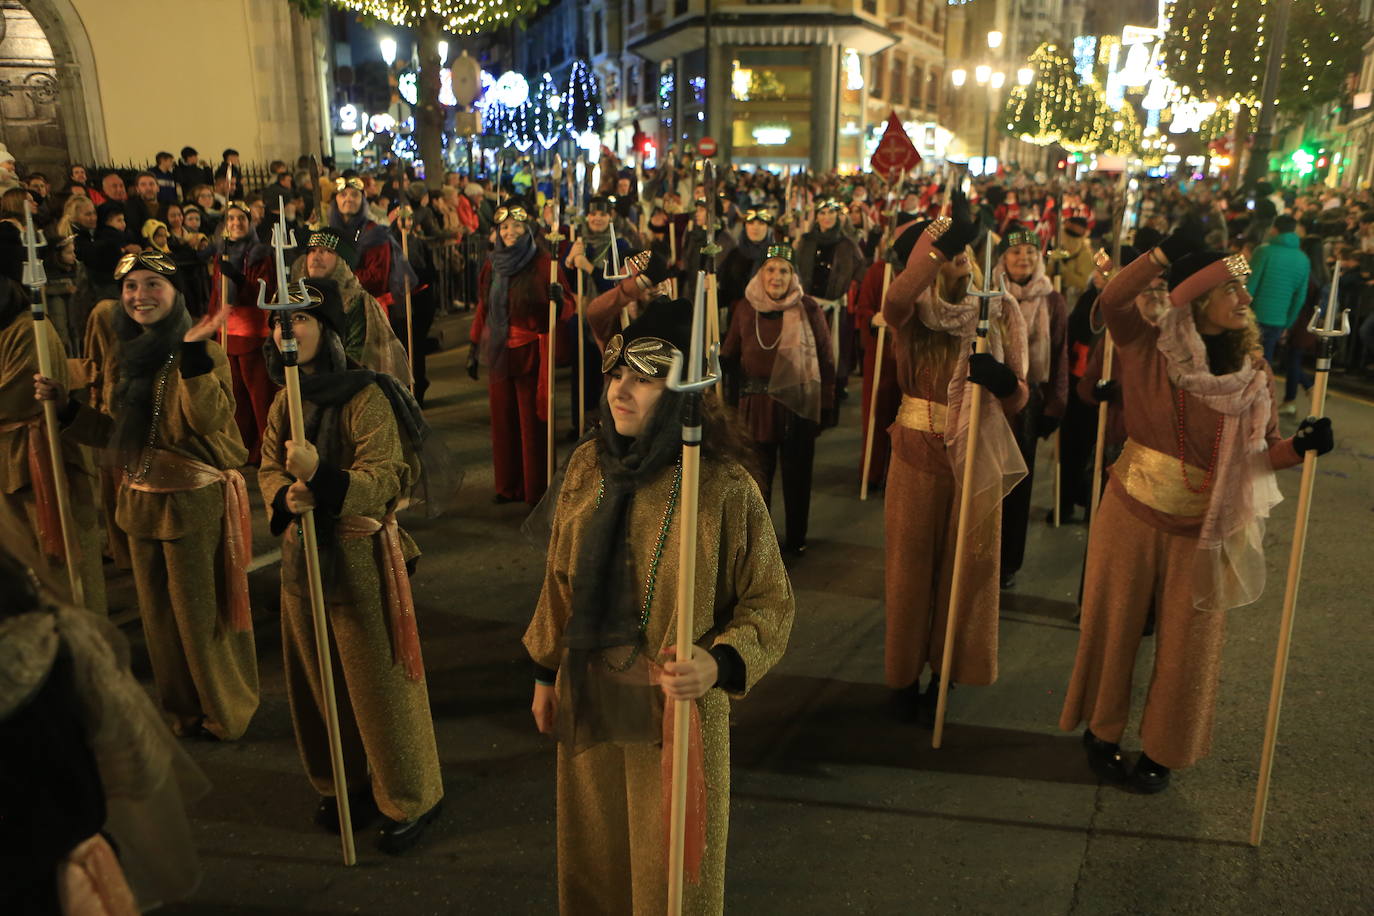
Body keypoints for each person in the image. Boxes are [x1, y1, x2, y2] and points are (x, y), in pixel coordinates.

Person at [524, 295, 794, 915]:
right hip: (590, 688)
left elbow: (771, 604)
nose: (621, 390)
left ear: (680, 393)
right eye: (617, 373)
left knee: (668, 875)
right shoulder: (590, 465)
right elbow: (560, 575)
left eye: (643, 380)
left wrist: (721, 662)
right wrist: (544, 671)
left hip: (675, 710)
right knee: (597, 858)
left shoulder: (722, 488)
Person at [1059, 228, 1333, 793]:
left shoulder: (1253, 373)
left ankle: (1165, 748)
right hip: (1131, 509)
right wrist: (1160, 256)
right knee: (1115, 628)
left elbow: (1257, 460)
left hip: (1205, 526)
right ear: (1200, 298)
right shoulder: (1148, 343)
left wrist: (1299, 450)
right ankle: (1102, 733)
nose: (1246, 299)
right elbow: (1111, 299)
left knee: (1192, 645)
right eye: (1232, 289)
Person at [35, 249, 259, 741]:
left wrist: (196, 354)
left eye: (153, 284)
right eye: (131, 286)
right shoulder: (127, 355)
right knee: (159, 623)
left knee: (201, 617)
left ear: (176, 293)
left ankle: (225, 707)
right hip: (139, 504)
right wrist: (68, 408)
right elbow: (122, 435)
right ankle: (182, 710)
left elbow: (208, 422)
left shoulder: (204, 351)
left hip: (192, 502)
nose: (140, 296)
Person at [258, 277, 444, 854]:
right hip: (303, 555)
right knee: (319, 681)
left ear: (327, 328)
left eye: (302, 319)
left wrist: (323, 476)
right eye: (278, 321)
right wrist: (284, 497)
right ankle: (345, 781)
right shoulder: (284, 399)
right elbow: (266, 465)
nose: (287, 330)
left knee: (380, 686)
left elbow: (386, 475)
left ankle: (410, 796)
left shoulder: (367, 395)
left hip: (360, 558)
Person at [880, 207, 1029, 724]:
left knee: (966, 571)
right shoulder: (911, 311)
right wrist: (938, 243)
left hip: (977, 453)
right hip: (917, 453)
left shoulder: (999, 308)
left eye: (966, 248)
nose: (964, 256)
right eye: (950, 253)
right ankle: (902, 677)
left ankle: (947, 672)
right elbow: (897, 297)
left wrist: (1005, 384)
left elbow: (1019, 394)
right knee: (910, 572)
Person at [0, 273, 106, 613]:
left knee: (63, 569)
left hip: (40, 457)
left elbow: (16, 396)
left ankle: (87, 651)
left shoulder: (30, 328)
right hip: (8, 465)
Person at [720, 243, 835, 555]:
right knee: (758, 477)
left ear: (793, 274)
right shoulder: (743, 308)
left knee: (797, 476)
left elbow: (825, 359)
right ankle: (760, 542)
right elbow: (729, 352)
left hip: (797, 404)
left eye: (784, 270)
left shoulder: (808, 308)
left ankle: (797, 538)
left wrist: (825, 406)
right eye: (771, 269)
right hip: (754, 406)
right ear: (761, 273)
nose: (777, 276)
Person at [469, 204, 570, 505]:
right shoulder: (492, 265)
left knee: (531, 424)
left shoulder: (543, 263)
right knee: (502, 422)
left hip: (530, 354)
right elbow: (483, 308)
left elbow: (569, 307)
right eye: (504, 228)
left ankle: (535, 489)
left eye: (516, 227)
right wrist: (474, 347)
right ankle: (507, 485)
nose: (510, 232)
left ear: (528, 230)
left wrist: (560, 301)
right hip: (499, 353)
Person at [993, 225, 1069, 589]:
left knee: (1019, 482)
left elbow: (1060, 355)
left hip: (1030, 402)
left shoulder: (1052, 301)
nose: (1023, 258)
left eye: (1030, 253)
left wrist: (1055, 405)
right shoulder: (989, 296)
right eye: (1015, 253)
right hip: (991, 399)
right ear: (1003, 259)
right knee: (987, 478)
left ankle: (1008, 561)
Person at [292, 227, 412, 386]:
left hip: (345, 386)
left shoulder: (357, 302)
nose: (316, 257)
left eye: (326, 251)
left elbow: (356, 357)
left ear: (342, 261)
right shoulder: (295, 300)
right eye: (312, 251)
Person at [211, 200, 276, 463]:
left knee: (260, 395)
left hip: (252, 331)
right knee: (235, 394)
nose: (236, 223)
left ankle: (267, 448)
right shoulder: (221, 252)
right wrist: (212, 322)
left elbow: (265, 290)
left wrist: (239, 280)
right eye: (231, 219)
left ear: (250, 224)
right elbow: (216, 295)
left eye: (241, 219)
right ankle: (244, 447)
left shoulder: (259, 253)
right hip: (228, 332)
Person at [795, 198, 866, 403]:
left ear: (837, 217)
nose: (827, 217)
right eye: (822, 213)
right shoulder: (806, 241)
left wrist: (850, 287)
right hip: (809, 303)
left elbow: (861, 269)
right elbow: (797, 268)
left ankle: (835, 385)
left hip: (835, 306)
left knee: (836, 348)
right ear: (816, 217)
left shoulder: (847, 243)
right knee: (810, 344)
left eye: (831, 213)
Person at [1247, 214, 1311, 415]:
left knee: (1246, 359)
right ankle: (1260, 403)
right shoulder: (1303, 258)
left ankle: (1244, 402)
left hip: (1254, 316)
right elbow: (1299, 297)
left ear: (1274, 229)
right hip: (1279, 319)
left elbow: (1251, 287)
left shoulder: (1263, 251)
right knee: (1265, 360)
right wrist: (1287, 323)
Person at [329, 175, 416, 313]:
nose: (348, 199)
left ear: (362, 199)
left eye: (354, 195)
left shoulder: (375, 233)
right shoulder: (330, 233)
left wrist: (338, 277)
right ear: (336, 200)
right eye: (343, 195)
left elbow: (377, 279)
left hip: (368, 307)